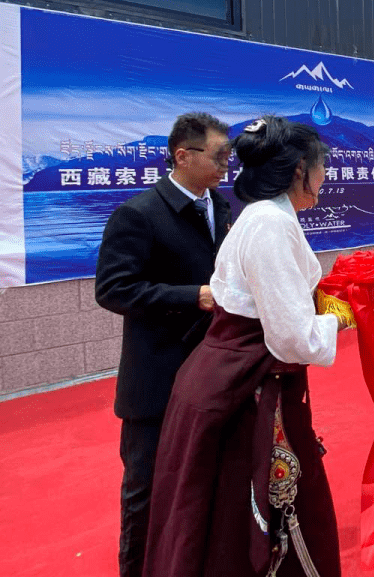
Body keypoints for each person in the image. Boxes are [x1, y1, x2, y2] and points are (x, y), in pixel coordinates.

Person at [144, 116, 343, 577]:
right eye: (322, 166)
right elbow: (291, 336)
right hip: (248, 387)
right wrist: (339, 320)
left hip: (226, 377)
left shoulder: (260, 216)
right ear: (299, 169)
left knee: (209, 512)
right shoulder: (270, 223)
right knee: (253, 512)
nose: (325, 176)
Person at [95, 112, 232, 577]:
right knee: (146, 497)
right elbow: (113, 289)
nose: (226, 165)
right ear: (182, 155)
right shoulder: (137, 214)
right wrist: (194, 296)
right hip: (156, 382)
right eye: (219, 156)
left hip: (213, 374)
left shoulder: (223, 208)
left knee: (204, 489)